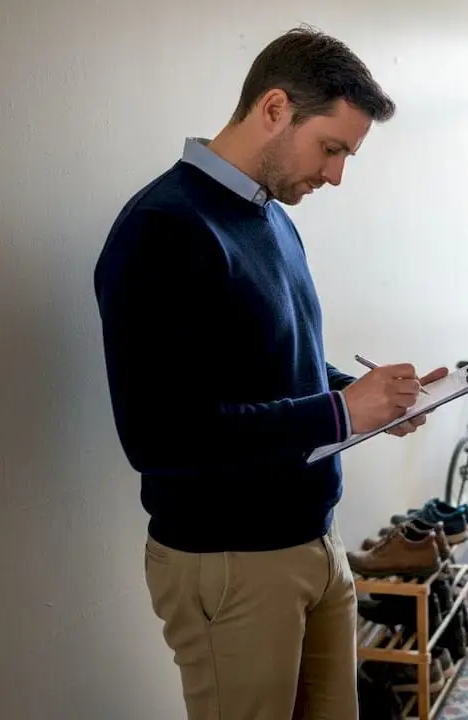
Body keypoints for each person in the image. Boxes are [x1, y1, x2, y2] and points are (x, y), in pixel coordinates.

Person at [92, 26, 445, 720]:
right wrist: (343, 414)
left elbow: (279, 371)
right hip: (231, 562)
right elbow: (161, 435)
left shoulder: (271, 217)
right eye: (333, 148)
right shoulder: (162, 229)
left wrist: (368, 398)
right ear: (275, 109)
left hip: (312, 541)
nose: (337, 174)